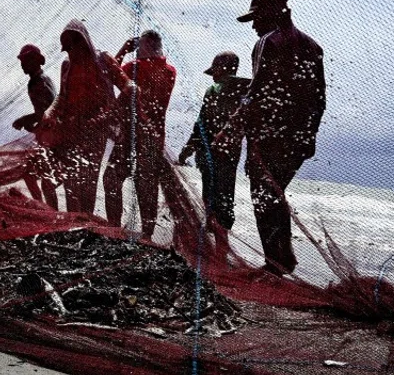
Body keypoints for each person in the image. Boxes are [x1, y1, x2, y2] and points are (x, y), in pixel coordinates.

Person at [217, 0, 325, 275]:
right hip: (298, 138)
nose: (253, 26)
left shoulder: (268, 41)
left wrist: (230, 128)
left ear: (269, 14)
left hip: (270, 136)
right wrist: (309, 135)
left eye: (255, 18)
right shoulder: (313, 46)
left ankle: (275, 264)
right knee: (274, 193)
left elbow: (257, 93)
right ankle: (283, 258)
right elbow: (319, 99)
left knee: (264, 195)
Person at [41, 20, 128, 214]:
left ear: (84, 42)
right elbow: (62, 97)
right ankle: (71, 225)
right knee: (69, 184)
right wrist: (50, 113)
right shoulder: (67, 66)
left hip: (95, 132)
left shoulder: (103, 60)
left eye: (73, 47)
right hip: (70, 131)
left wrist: (106, 115)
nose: (70, 53)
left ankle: (85, 226)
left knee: (88, 183)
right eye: (67, 49)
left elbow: (128, 88)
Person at [102, 30, 176, 239]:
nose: (137, 49)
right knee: (147, 185)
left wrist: (124, 48)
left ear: (145, 46)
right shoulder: (170, 71)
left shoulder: (133, 68)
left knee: (111, 178)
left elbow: (109, 74)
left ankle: (113, 227)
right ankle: (147, 235)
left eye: (139, 45)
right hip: (153, 137)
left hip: (129, 135)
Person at [179, 51, 250, 247]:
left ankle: (218, 251)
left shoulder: (213, 90)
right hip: (230, 154)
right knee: (226, 198)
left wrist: (187, 150)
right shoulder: (247, 91)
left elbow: (201, 125)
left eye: (215, 71)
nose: (213, 76)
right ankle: (222, 245)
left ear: (221, 69)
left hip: (208, 153)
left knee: (210, 198)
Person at [12, 44, 59, 210]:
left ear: (35, 61)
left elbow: (45, 113)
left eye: (26, 60)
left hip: (52, 139)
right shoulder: (37, 80)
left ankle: (49, 213)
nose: (23, 64)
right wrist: (30, 124)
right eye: (22, 61)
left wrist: (24, 120)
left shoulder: (39, 81)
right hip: (47, 136)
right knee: (36, 176)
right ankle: (45, 210)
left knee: (44, 180)